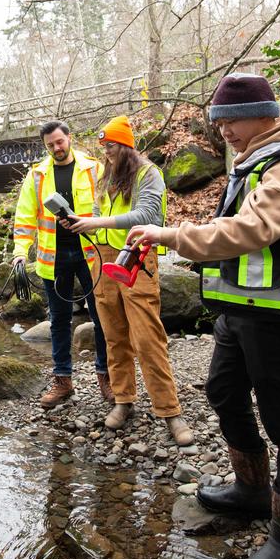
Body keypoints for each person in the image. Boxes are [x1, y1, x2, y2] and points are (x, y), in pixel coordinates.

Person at [126, 73, 280, 559]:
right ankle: (251, 489)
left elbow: (253, 229)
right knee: (224, 391)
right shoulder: (261, 149)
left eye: (231, 121)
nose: (223, 133)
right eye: (218, 123)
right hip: (243, 306)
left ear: (265, 114)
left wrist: (171, 234)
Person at [64, 115, 194, 447]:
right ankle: (124, 401)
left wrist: (96, 223)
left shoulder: (149, 174)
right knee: (112, 335)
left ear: (125, 146)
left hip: (136, 256)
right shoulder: (106, 176)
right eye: (103, 146)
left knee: (148, 337)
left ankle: (170, 411)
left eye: (111, 146)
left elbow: (147, 216)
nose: (106, 152)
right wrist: (82, 222)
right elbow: (98, 212)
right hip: (103, 260)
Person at [12, 120, 112, 408]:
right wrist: (20, 251)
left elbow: (110, 206)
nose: (56, 148)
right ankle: (63, 381)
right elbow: (25, 217)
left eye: (59, 142)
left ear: (69, 137)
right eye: (50, 145)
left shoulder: (94, 168)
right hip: (52, 258)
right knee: (58, 321)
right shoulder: (38, 175)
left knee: (101, 316)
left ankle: (105, 377)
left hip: (91, 254)